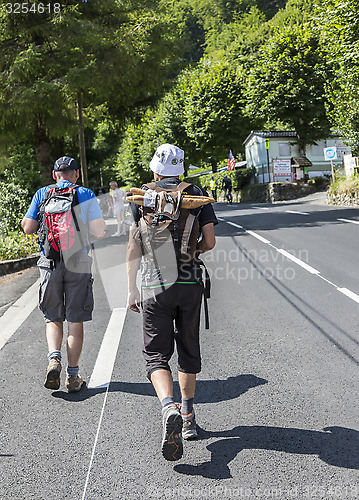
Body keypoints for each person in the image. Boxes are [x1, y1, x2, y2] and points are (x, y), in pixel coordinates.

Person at [126, 143, 217, 461]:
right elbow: (210, 241)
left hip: (154, 285)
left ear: (155, 169)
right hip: (189, 283)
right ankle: (189, 419)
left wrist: (131, 289)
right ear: (181, 169)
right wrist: (191, 254)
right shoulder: (196, 193)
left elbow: (133, 248)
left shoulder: (142, 196)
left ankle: (168, 408)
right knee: (188, 349)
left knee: (156, 356)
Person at [21, 156, 106, 393]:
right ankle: (73, 376)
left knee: (53, 317)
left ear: (54, 175)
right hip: (78, 261)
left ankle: (54, 359)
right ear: (76, 174)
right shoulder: (86, 194)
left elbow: (28, 227)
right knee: (75, 319)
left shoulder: (42, 193)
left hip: (49, 262)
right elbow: (99, 231)